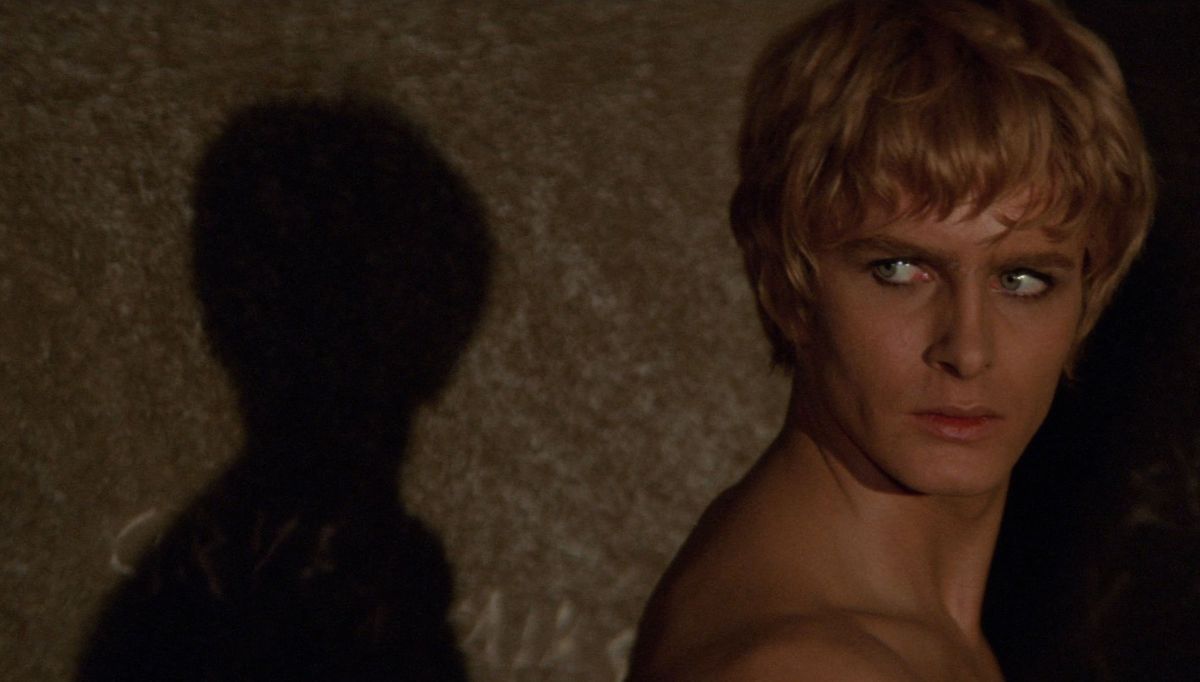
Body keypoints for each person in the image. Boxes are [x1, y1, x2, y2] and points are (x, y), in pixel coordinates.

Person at [627, 0, 1154, 679]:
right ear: (786, 283)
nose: (968, 351)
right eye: (899, 270)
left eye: (1022, 279)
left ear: (1088, 292)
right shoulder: (807, 665)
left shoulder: (891, 621)